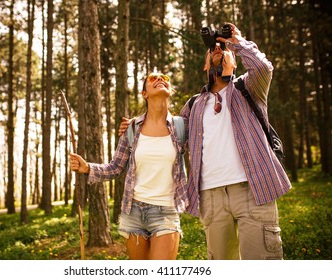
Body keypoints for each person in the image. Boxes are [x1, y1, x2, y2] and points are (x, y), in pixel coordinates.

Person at [119, 23, 292, 260]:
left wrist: (236, 41)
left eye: (223, 50)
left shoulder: (249, 89)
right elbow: (168, 134)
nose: (217, 50)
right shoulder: (193, 106)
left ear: (234, 60)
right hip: (210, 197)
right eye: (212, 50)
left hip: (252, 191)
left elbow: (262, 66)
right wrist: (135, 127)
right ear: (205, 65)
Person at [70, 73, 189, 260]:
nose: (159, 79)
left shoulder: (182, 126)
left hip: (166, 211)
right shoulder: (132, 129)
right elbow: (115, 167)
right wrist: (87, 168)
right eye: (152, 78)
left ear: (170, 90)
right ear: (144, 94)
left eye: (164, 77)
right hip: (133, 211)